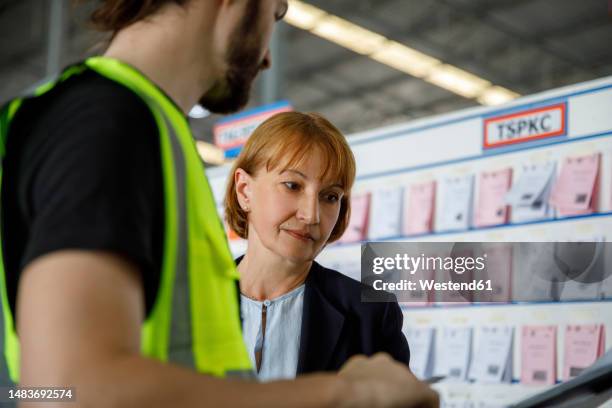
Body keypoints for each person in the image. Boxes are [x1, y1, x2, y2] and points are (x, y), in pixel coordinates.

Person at [0, 0, 438, 407]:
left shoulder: (142, 125)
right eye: (276, 12)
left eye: (330, 197)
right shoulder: (108, 121)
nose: (267, 57)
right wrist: (340, 394)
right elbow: (64, 388)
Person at [224, 111, 410, 381]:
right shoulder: (187, 304)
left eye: (330, 196)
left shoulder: (371, 315)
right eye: (292, 185)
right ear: (244, 190)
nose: (311, 215)